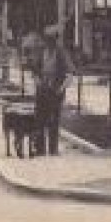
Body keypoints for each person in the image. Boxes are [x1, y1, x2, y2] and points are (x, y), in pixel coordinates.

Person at [33, 27, 72, 156]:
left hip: (55, 92)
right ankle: (40, 149)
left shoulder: (61, 53)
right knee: (40, 120)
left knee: (54, 121)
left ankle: (53, 149)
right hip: (42, 91)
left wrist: (61, 89)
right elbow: (35, 70)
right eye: (47, 39)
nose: (49, 42)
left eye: (51, 40)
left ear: (56, 40)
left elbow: (69, 74)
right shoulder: (41, 52)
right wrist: (38, 81)